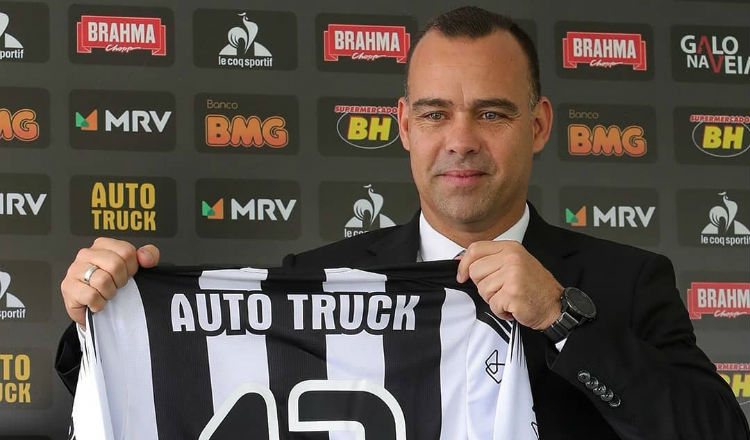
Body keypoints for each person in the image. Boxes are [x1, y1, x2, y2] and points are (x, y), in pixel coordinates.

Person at [56, 6, 749, 440]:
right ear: (404, 126)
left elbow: (713, 431)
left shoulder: (627, 282)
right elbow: (169, 384)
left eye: (493, 113)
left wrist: (562, 319)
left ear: (537, 126)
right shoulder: (318, 280)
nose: (461, 139)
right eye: (435, 112)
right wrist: (104, 315)